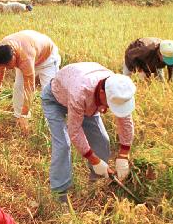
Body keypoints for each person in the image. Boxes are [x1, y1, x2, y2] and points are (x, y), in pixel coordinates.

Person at [40, 63, 136, 201]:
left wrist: (123, 154)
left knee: (102, 140)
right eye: (109, 103)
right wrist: (94, 159)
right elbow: (74, 130)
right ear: (102, 93)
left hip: (88, 102)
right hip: (55, 99)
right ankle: (60, 194)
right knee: (63, 145)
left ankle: (96, 184)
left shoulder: (119, 88)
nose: (109, 107)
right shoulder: (80, 92)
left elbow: (125, 121)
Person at [0, 30, 61, 132]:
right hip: (31, 53)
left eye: (8, 65)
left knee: (49, 93)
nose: (7, 68)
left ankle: (52, 127)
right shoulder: (1, 49)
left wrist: (25, 113)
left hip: (47, 60)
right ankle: (19, 119)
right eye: (4, 65)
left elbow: (29, 88)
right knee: (18, 87)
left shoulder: (25, 57)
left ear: (14, 55)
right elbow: (0, 66)